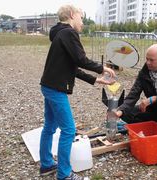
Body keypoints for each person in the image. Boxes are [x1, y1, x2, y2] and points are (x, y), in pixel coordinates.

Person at [39, 5, 116, 180]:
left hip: (48, 86)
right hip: (55, 89)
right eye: (81, 18)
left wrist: (96, 79)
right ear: (72, 15)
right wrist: (102, 68)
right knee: (68, 130)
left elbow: (72, 67)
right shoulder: (68, 33)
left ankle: (46, 165)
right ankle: (64, 174)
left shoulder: (59, 34)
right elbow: (81, 60)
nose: (82, 22)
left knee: (50, 127)